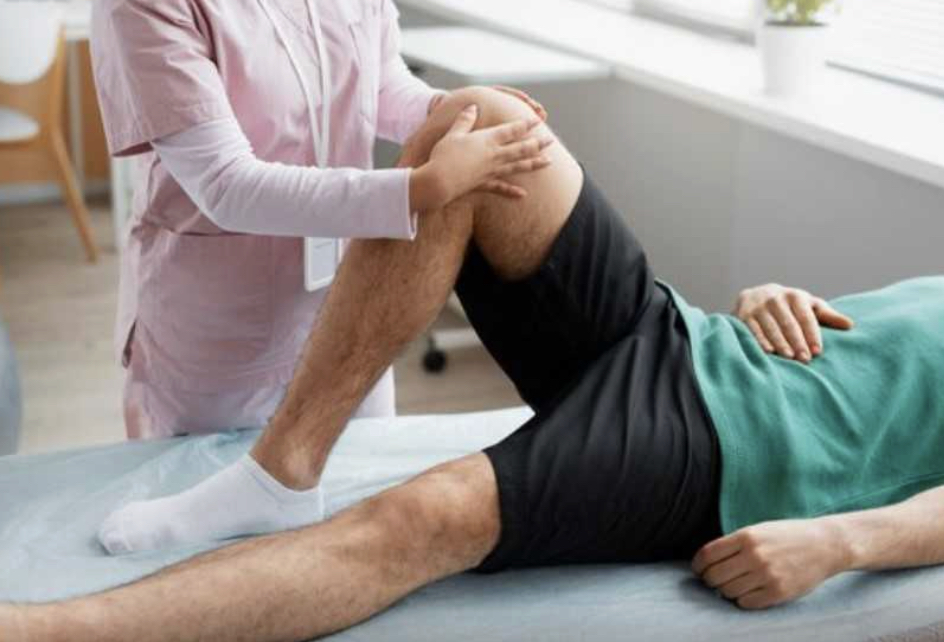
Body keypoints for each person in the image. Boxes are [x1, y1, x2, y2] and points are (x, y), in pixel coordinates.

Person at [5, 86, 944, 642]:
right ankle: (283, 469)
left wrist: (843, 543)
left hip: (731, 452)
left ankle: (38, 631)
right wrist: (769, 292)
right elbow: (893, 361)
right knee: (480, 121)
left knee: (427, 513)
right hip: (695, 340)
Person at [90, 0, 549, 439]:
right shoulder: (143, 6)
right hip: (217, 336)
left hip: (348, 308)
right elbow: (224, 184)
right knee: (222, 490)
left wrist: (452, 115)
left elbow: (379, 84)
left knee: (360, 482)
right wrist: (422, 188)